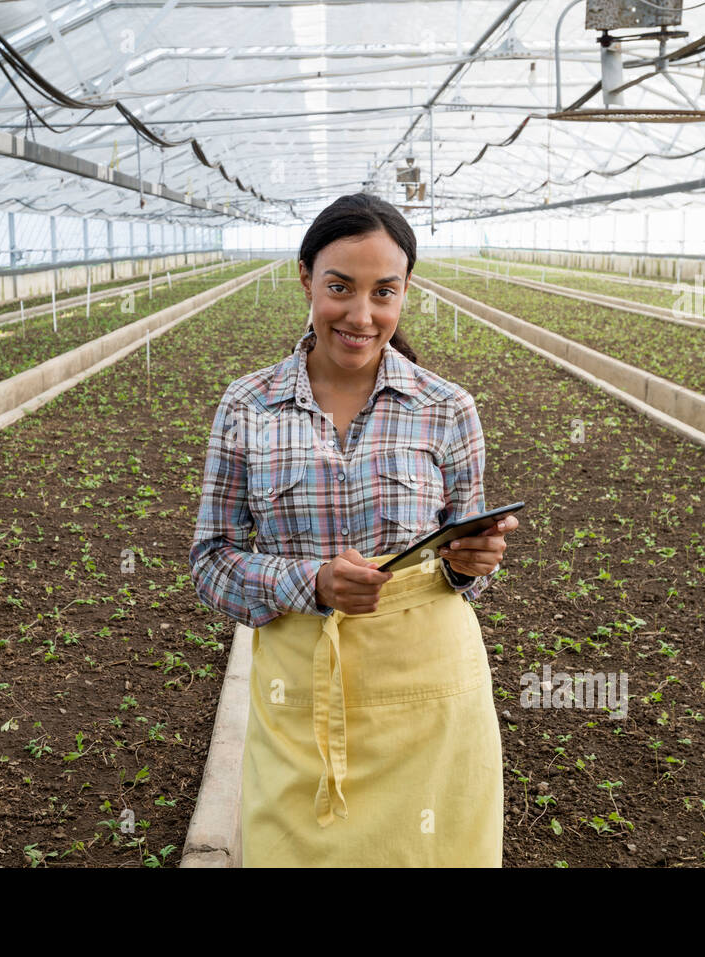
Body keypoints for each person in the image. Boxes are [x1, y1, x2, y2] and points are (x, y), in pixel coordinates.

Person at [188, 191, 518, 867]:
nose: (361, 315)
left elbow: (463, 579)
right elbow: (212, 561)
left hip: (429, 701)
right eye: (340, 287)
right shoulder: (248, 405)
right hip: (299, 704)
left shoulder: (447, 408)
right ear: (306, 278)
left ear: (406, 293)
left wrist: (469, 562)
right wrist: (310, 581)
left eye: (383, 292)